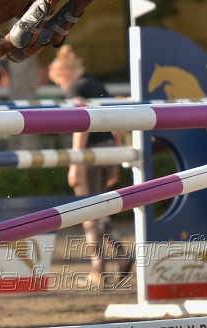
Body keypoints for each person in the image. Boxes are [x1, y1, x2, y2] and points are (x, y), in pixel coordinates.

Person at [48, 45, 132, 287]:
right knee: (99, 208)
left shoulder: (76, 89)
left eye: (59, 83)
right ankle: (119, 255)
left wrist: (74, 163)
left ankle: (100, 268)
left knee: (88, 212)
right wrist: (115, 158)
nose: (62, 88)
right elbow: (116, 124)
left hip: (90, 152)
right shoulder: (96, 84)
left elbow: (80, 126)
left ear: (64, 74)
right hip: (108, 148)